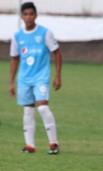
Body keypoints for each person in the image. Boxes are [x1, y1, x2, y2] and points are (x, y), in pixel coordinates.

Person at [9, 2, 62, 154]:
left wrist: (58, 76)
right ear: (21, 16)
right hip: (24, 79)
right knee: (28, 111)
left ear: (36, 15)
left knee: (43, 107)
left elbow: (57, 53)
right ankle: (30, 145)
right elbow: (14, 59)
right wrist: (11, 82)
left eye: (31, 14)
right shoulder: (17, 36)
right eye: (25, 14)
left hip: (41, 77)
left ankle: (53, 143)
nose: (28, 17)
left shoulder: (45, 33)